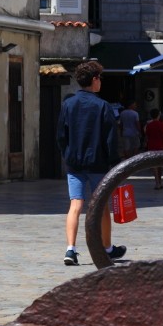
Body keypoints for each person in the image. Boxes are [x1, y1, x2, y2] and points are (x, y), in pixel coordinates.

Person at [56, 61, 126, 266]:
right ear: (94, 80)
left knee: (75, 204)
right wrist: (115, 163)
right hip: (99, 163)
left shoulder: (68, 104)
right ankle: (107, 248)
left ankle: (71, 249)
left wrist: (67, 154)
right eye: (100, 78)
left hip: (75, 163)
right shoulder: (102, 105)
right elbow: (111, 139)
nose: (101, 82)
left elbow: (61, 135)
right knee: (101, 206)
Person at [144, 108, 163, 189]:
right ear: (158, 115)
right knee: (159, 165)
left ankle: (157, 182)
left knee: (154, 164)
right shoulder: (161, 125)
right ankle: (159, 182)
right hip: (160, 146)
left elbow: (147, 136)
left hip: (151, 146)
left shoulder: (149, 125)